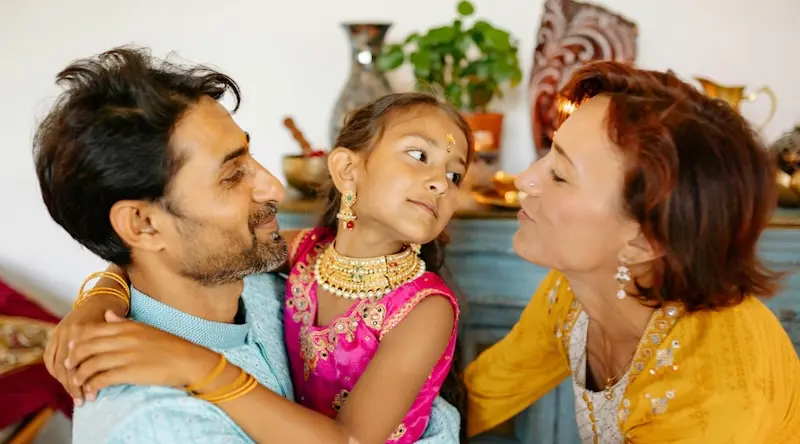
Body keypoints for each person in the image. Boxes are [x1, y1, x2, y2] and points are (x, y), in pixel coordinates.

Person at [35, 46, 461, 443]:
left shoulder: (269, 286)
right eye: (232, 174)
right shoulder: (157, 424)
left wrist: (100, 297)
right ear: (143, 224)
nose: (273, 187)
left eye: (248, 156)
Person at [463, 62, 800, 443]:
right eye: (549, 154)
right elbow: (482, 394)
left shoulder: (717, 393)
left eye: (559, 174)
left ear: (645, 241)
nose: (525, 180)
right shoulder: (573, 292)